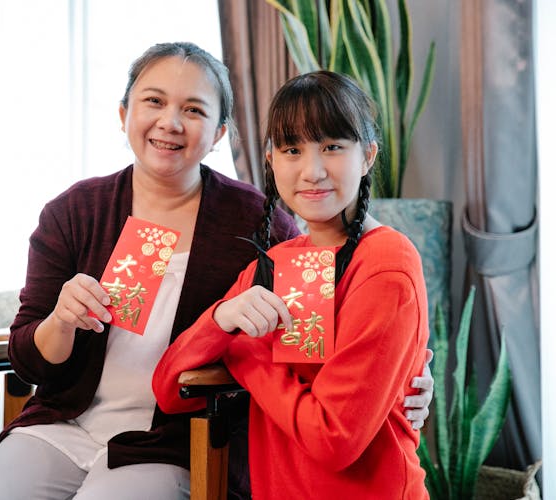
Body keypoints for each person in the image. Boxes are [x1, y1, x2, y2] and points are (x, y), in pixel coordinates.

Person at [0, 44, 432, 500]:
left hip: (178, 443)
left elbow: (345, 374)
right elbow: (42, 356)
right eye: (153, 101)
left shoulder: (260, 224)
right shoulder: (75, 212)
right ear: (124, 114)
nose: (170, 122)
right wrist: (62, 321)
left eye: (193, 109)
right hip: (64, 426)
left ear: (219, 134)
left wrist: (407, 382)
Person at [153, 70, 431, 499]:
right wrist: (221, 319)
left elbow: (334, 438)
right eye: (292, 149)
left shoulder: (386, 265)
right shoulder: (279, 262)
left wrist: (246, 358)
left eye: (333, 147)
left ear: (368, 155)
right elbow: (171, 390)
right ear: (271, 159)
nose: (312, 170)